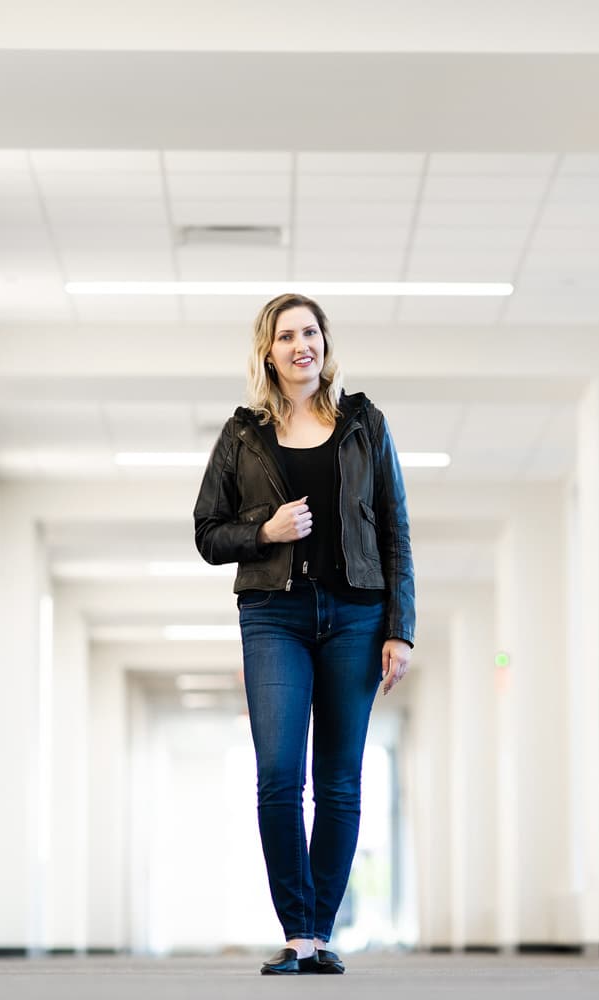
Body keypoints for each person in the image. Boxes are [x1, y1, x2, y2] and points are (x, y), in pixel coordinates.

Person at [193, 292, 416, 976]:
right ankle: (297, 932)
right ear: (269, 351)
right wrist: (265, 531)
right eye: (287, 335)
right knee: (279, 776)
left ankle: (319, 931)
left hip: (355, 615)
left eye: (310, 332)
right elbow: (207, 531)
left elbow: (396, 527)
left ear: (325, 343)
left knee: (340, 782)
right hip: (274, 616)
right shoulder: (242, 435)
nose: (301, 346)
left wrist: (399, 628)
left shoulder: (365, 425)